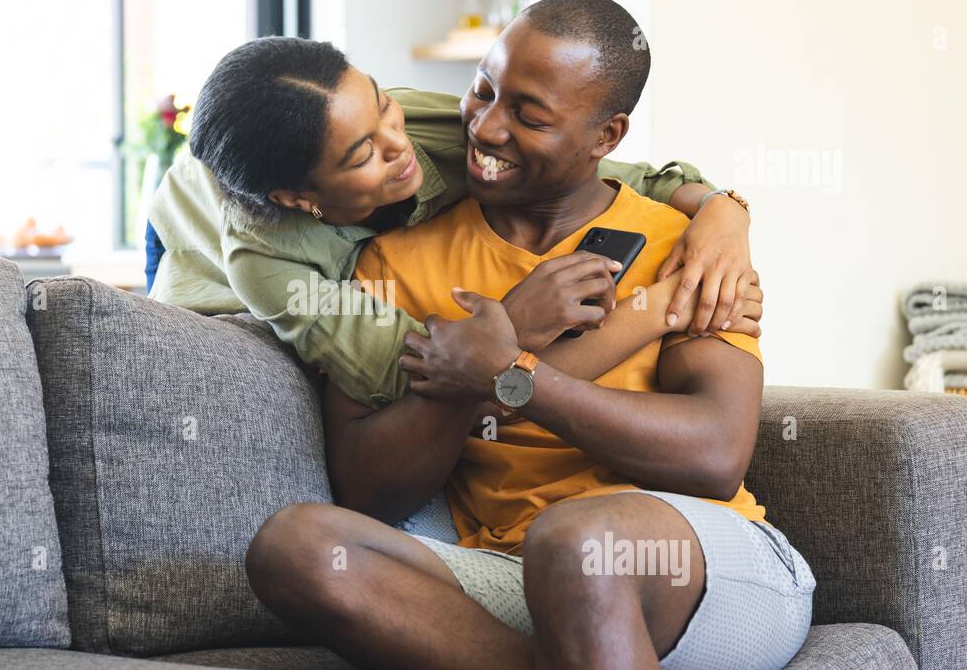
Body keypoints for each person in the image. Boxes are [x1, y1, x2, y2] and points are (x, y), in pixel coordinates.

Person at [242, 0, 816, 670]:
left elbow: (713, 456)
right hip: (513, 574)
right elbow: (365, 491)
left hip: (705, 572)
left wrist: (513, 375)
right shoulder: (393, 260)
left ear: (606, 134)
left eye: (530, 115)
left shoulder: (689, 249)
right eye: (483, 89)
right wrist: (477, 367)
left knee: (579, 541)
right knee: (297, 548)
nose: (484, 127)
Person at [146, 31, 759, 408]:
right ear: (297, 195)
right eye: (364, 154)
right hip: (187, 231)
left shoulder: (422, 124)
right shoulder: (265, 259)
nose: (399, 143)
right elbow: (409, 374)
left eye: (382, 105)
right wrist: (521, 321)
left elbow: (621, 174)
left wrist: (724, 213)